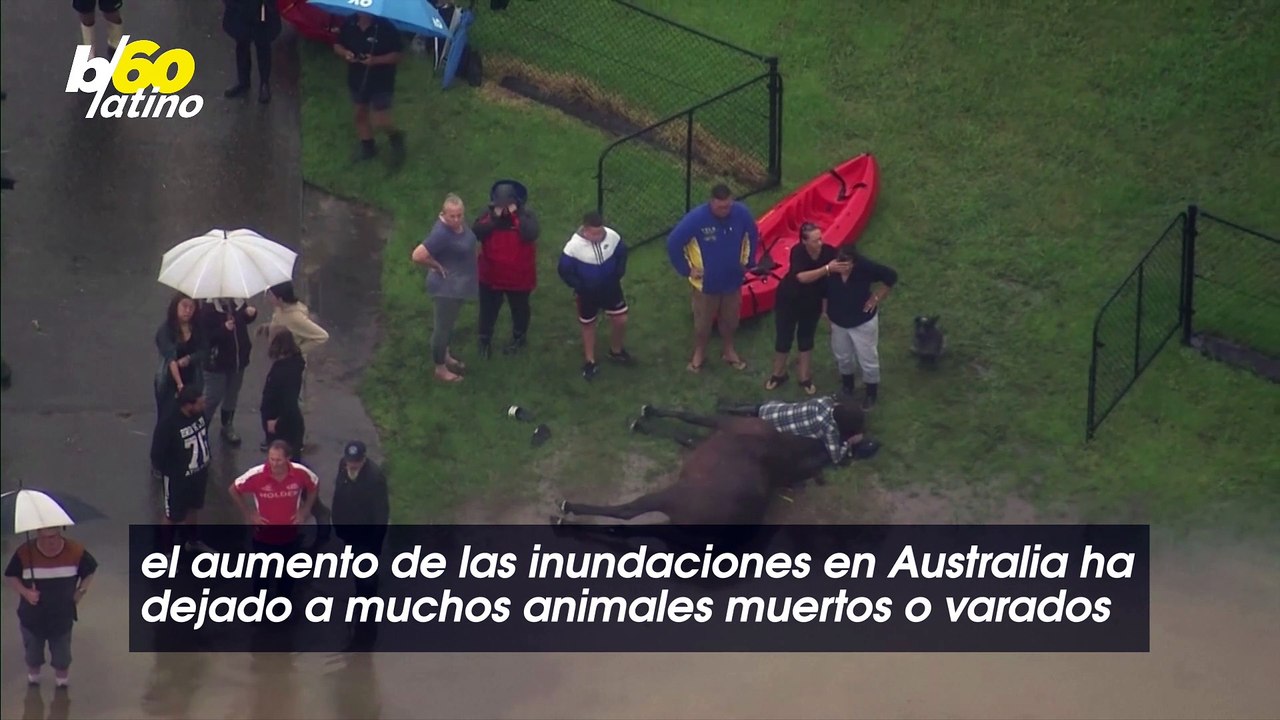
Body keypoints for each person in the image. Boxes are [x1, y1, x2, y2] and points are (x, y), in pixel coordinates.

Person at [665, 183, 759, 373]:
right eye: (720, 207)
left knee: (731, 320)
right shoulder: (696, 219)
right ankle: (699, 354)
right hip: (705, 285)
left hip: (732, 281)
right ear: (711, 202)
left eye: (727, 206)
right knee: (703, 324)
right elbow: (673, 242)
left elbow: (753, 234)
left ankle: (729, 350)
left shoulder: (742, 213)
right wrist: (687, 270)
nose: (724, 210)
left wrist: (748, 262)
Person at [4, 527, 98, 688]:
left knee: (62, 660)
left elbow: (90, 570)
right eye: (46, 538)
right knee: (33, 658)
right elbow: (11, 576)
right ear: (37, 535)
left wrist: (81, 591)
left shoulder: (75, 550)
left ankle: (62, 689)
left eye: (54, 536)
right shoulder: (25, 552)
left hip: (62, 617)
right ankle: (33, 684)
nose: (51, 541)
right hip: (31, 618)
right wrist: (26, 592)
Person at [228, 441, 320, 601]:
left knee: (287, 573)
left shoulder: (300, 473)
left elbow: (314, 485)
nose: (274, 464)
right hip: (263, 534)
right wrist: (249, 514)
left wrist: (305, 510)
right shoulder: (256, 475)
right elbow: (233, 489)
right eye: (271, 459)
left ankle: (283, 603)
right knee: (261, 573)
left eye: (278, 460)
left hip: (290, 534)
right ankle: (260, 604)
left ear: (288, 458)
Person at [767, 222, 846, 394]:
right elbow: (801, 277)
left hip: (813, 301)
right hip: (789, 299)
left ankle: (804, 376)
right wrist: (826, 269)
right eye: (815, 240)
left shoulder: (829, 252)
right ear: (804, 241)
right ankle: (778, 373)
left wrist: (826, 307)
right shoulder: (798, 252)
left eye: (820, 238)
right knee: (784, 336)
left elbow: (835, 275)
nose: (820, 243)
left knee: (806, 337)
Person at [558, 211, 634, 380]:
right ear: (585, 230)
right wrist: (579, 286)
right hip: (587, 294)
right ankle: (590, 361)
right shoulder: (573, 247)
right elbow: (564, 270)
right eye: (594, 233)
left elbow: (622, 252)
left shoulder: (612, 236)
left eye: (601, 232)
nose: (599, 236)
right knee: (588, 324)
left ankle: (616, 351)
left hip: (611, 288)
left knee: (621, 319)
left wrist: (619, 272)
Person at [412, 193, 479, 383]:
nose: (457, 220)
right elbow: (418, 255)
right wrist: (436, 266)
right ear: (443, 214)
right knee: (442, 329)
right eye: (452, 216)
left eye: (460, 215)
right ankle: (440, 369)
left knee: (449, 326)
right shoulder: (441, 233)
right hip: (446, 289)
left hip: (458, 285)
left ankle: (446, 355)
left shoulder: (457, 226)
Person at [825, 246, 897, 409]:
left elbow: (891, 276)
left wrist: (876, 297)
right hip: (838, 320)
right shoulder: (831, 270)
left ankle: (871, 393)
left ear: (854, 262)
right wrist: (826, 313)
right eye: (840, 263)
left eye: (847, 263)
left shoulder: (864, 268)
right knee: (842, 355)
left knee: (867, 358)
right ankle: (847, 386)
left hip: (862, 321)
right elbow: (824, 292)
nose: (843, 267)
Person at [474, 182, 540, 358]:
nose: (503, 209)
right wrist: (495, 220)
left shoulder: (526, 217)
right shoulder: (487, 217)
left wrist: (515, 216)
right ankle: (484, 340)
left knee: (520, 309)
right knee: (488, 310)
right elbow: (477, 232)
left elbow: (530, 234)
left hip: (519, 277)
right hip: (491, 276)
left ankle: (519, 337)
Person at [334, 12, 405, 165]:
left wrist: (376, 60)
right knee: (360, 114)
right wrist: (345, 53)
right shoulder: (349, 22)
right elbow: (337, 45)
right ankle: (368, 147)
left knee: (381, 120)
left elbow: (398, 55)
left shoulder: (386, 27)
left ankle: (395, 137)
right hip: (357, 78)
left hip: (381, 80)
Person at [149, 385, 214, 551]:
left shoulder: (197, 413)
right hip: (178, 479)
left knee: (194, 508)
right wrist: (173, 471)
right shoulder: (168, 424)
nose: (203, 405)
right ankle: (167, 552)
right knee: (172, 516)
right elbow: (157, 454)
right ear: (188, 405)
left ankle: (192, 541)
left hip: (198, 473)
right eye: (200, 403)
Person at [330, 440, 390, 598]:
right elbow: (339, 495)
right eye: (350, 460)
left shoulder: (374, 478)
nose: (352, 464)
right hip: (349, 531)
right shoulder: (343, 466)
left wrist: (376, 541)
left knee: (365, 572)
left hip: (366, 535)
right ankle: (362, 592)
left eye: (356, 461)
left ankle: (367, 601)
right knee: (356, 565)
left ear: (363, 459)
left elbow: (380, 512)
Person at [198, 297, 257, 445]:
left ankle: (227, 425)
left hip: (238, 360)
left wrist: (249, 315)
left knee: (232, 394)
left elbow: (243, 321)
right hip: (216, 362)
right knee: (213, 396)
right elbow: (205, 339)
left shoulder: (237, 302)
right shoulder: (208, 309)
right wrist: (224, 329)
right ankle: (199, 429)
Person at [154, 292, 207, 421]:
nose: (188, 311)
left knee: (191, 415)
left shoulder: (197, 328)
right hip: (169, 380)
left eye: (191, 307)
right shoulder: (166, 331)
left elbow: (204, 350)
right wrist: (180, 385)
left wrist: (190, 358)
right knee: (168, 415)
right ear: (175, 307)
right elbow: (171, 359)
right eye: (184, 306)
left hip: (193, 377)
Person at [221, 0, 282, 103]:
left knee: (263, 43)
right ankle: (243, 81)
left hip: (262, 7)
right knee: (241, 42)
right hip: (241, 6)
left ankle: (264, 84)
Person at [261, 330, 306, 462]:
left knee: (283, 462)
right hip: (289, 423)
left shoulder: (285, 372)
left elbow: (289, 403)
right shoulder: (293, 365)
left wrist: (277, 422)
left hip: (283, 426)